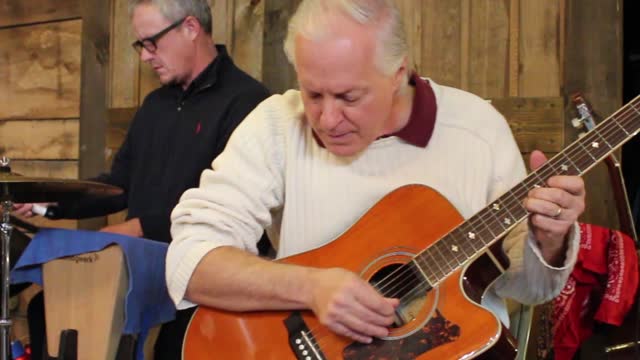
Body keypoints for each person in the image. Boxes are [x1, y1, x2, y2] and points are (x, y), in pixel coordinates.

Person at [167, 0, 585, 351]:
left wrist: (549, 242)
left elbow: (529, 289)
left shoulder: (477, 129)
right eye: (314, 94)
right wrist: (311, 287)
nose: (327, 119)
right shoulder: (278, 123)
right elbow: (189, 260)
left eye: (349, 96)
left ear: (399, 73)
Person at [14, 0, 270, 358]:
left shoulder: (248, 102)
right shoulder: (154, 105)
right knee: (48, 308)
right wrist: (43, 202)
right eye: (140, 46)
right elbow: (117, 186)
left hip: (204, 284)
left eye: (151, 43)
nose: (145, 56)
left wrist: (138, 228)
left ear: (191, 28)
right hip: (143, 269)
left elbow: (230, 209)